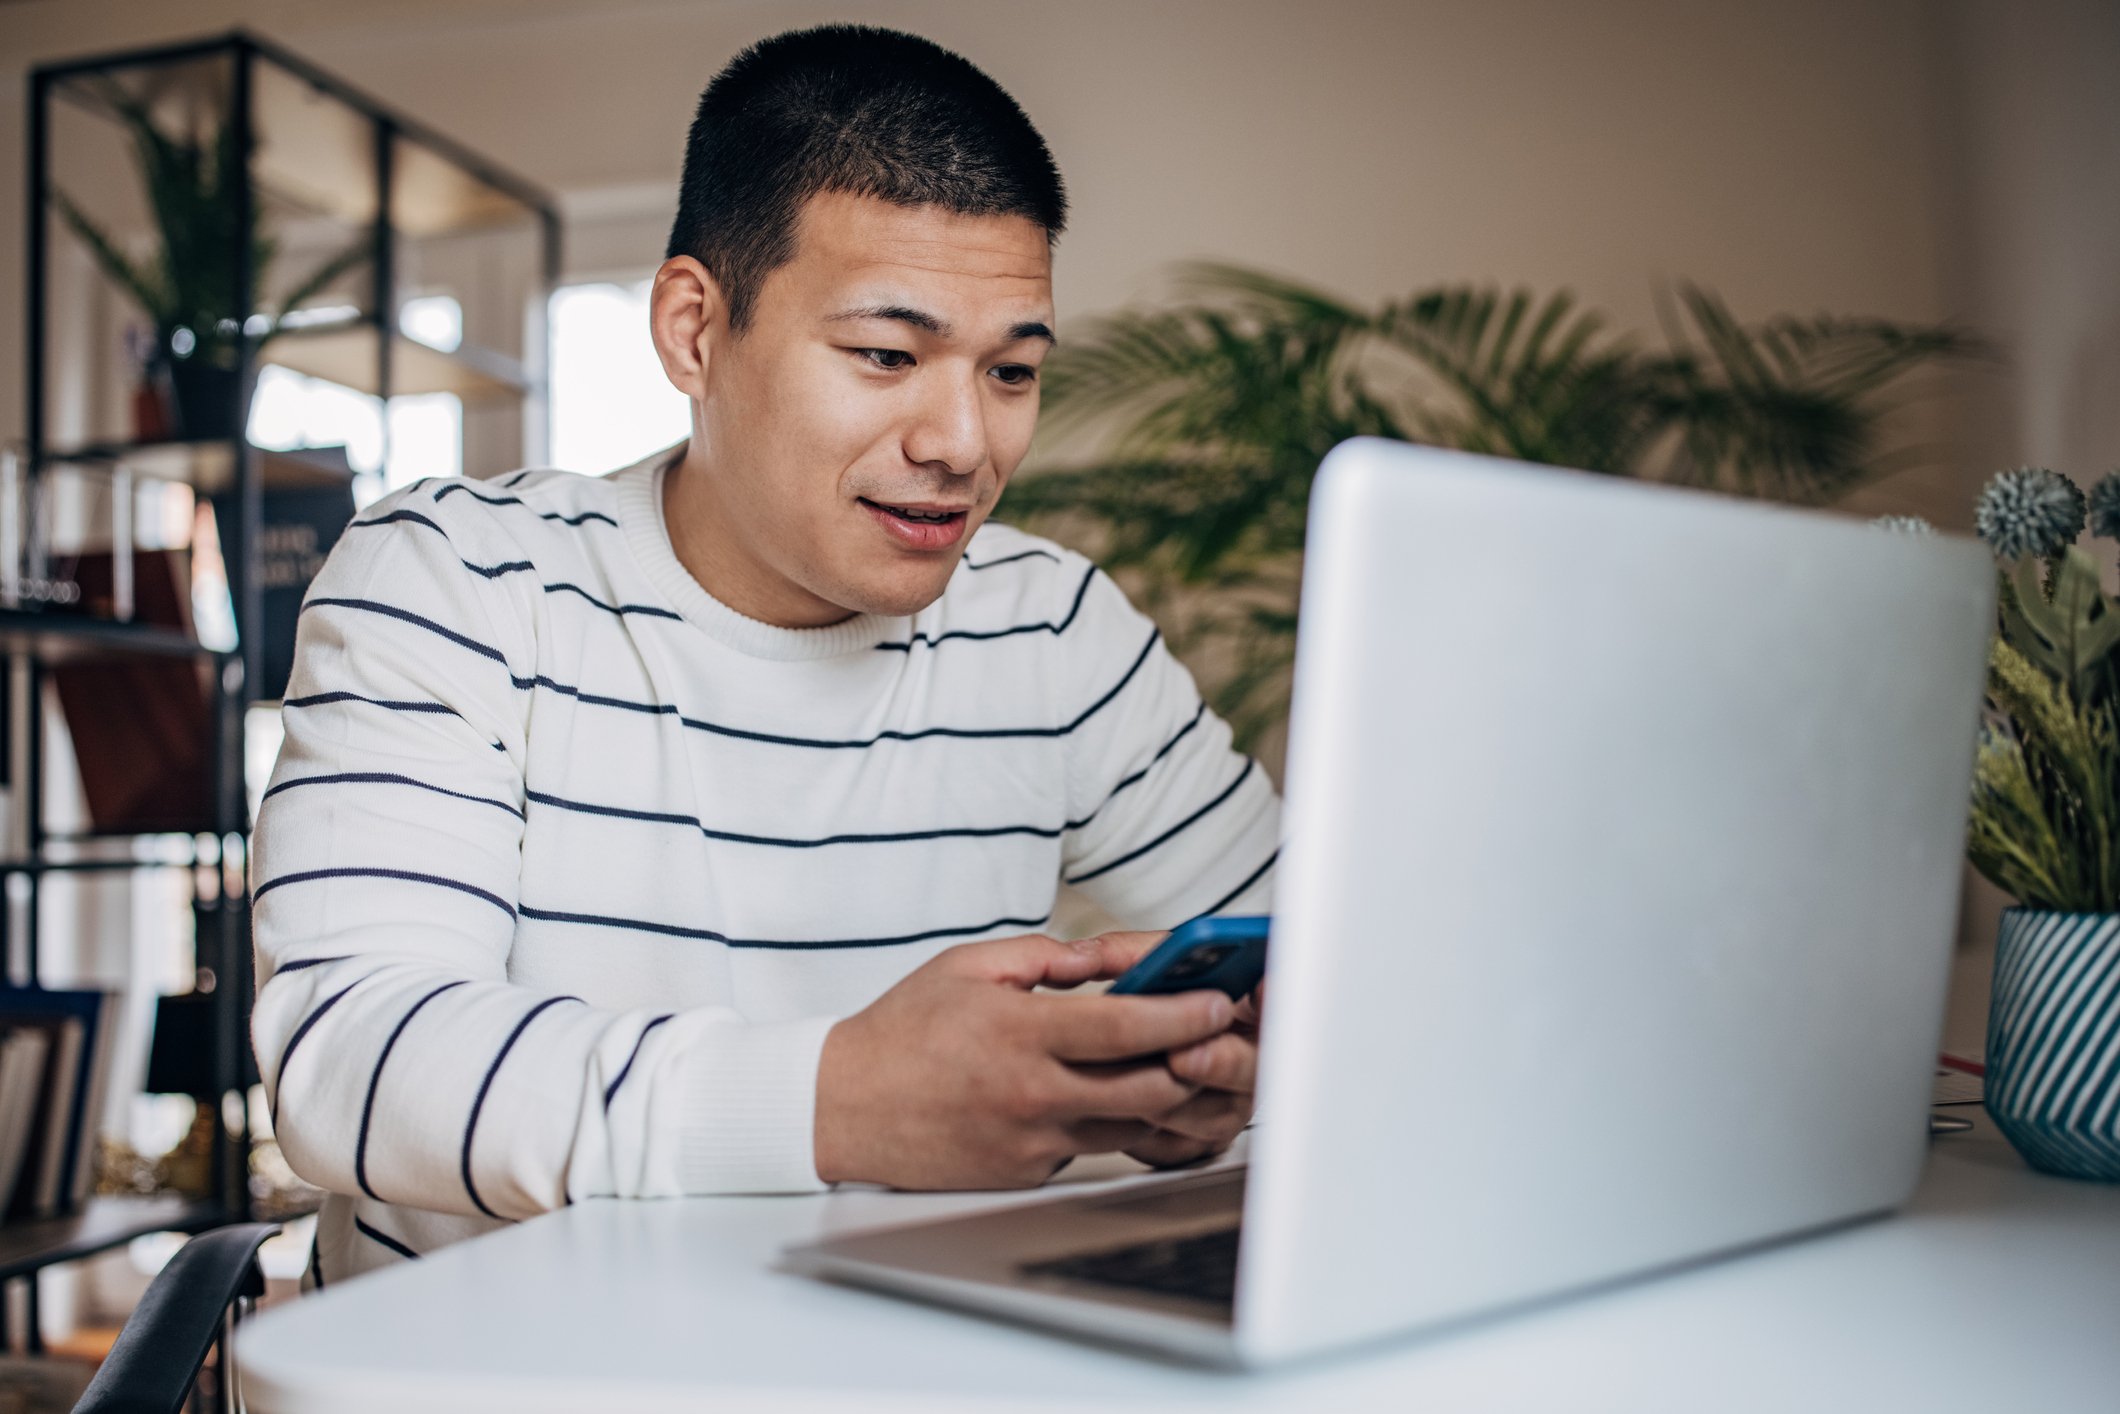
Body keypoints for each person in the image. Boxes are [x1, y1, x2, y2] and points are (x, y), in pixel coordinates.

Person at [252, 23, 1279, 1286]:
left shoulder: (1050, 630)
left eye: (1010, 370)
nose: (961, 440)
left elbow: (1332, 971)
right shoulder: (456, 582)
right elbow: (355, 1070)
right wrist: (842, 1097)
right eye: (886, 357)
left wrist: (1207, 1080)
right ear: (693, 330)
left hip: (903, 1368)